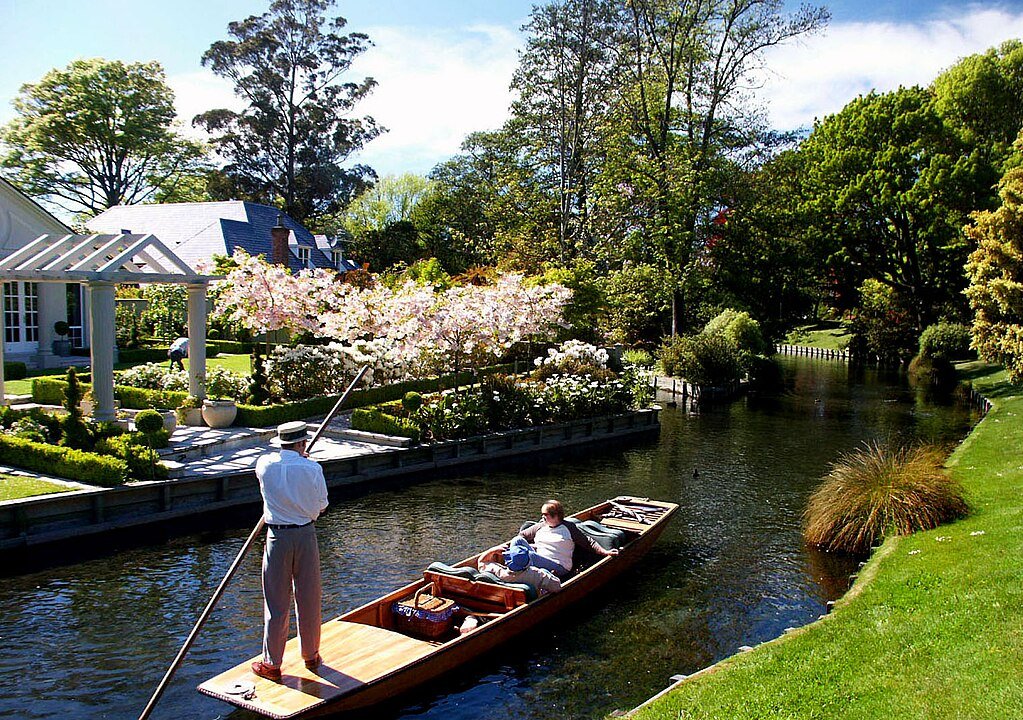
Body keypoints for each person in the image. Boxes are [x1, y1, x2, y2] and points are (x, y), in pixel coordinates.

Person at [251, 421, 329, 682]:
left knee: (276, 602)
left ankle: (272, 663)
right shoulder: (312, 468)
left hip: (277, 537)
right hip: (305, 535)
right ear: (302, 443)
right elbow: (321, 506)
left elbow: (271, 472)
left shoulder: (264, 465)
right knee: (309, 597)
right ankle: (311, 655)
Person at [509, 499, 617, 578]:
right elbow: (521, 536)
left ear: (555, 515)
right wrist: (528, 546)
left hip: (559, 566)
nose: (542, 517)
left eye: (544, 514)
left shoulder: (569, 528)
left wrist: (605, 552)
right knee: (516, 541)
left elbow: (588, 542)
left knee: (530, 556)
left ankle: (513, 571)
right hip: (538, 557)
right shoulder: (540, 526)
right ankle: (512, 567)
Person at [477, 544, 562, 597]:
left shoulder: (497, 570)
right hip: (530, 596)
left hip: (505, 597)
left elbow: (481, 562)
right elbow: (557, 587)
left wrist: (492, 550)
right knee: (545, 571)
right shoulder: (536, 574)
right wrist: (548, 575)